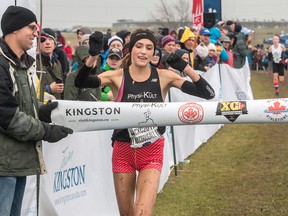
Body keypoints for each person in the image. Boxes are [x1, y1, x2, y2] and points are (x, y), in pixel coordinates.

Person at [74, 29, 215, 215]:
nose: (143, 52)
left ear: (153, 52)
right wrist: (93, 56)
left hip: (151, 151)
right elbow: (81, 82)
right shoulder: (117, 76)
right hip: (123, 150)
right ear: (130, 50)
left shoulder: (164, 76)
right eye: (139, 46)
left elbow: (208, 93)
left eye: (149, 48)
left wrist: (184, 67)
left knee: (142, 213)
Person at [0, 6, 73, 216]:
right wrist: (46, 131)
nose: (36, 33)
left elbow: (19, 105)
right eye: (32, 27)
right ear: (13, 30)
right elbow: (7, 116)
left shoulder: (21, 64)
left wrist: (42, 111)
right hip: (4, 166)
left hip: (17, 162)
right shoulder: (2, 64)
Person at [37, 29, 64, 99]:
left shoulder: (57, 63)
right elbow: (31, 89)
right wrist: (49, 89)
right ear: (38, 44)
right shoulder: (33, 63)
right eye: (43, 40)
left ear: (55, 44)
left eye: (50, 39)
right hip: (41, 106)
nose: (47, 43)